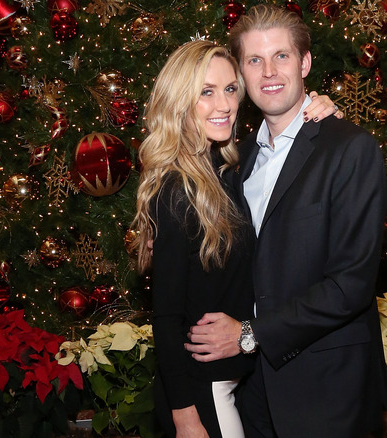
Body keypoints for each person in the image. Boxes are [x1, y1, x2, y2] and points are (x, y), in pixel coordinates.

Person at [184, 5, 387, 438]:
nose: (269, 72)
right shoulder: (237, 159)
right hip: (254, 389)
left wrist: (249, 333)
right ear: (240, 75)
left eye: (282, 56)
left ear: (306, 63)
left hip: (328, 390)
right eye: (255, 60)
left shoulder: (350, 149)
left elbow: (350, 285)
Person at [132, 40, 340, 438]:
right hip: (202, 395)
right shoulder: (176, 190)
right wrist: (185, 417)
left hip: (234, 384)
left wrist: (323, 113)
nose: (224, 105)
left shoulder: (227, 170)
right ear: (179, 101)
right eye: (206, 92)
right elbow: (166, 317)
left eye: (230, 89)